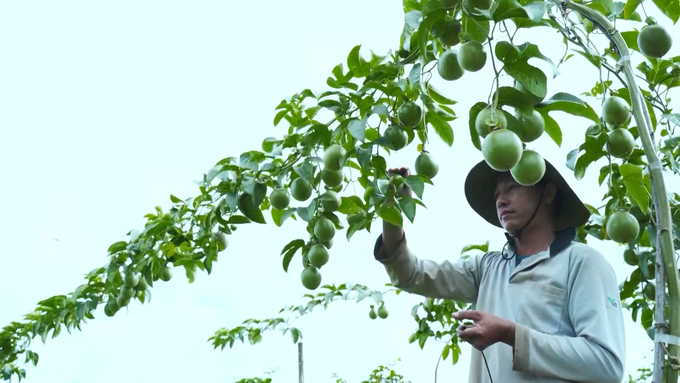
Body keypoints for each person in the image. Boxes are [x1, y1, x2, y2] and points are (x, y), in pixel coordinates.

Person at [373, 158, 626, 383]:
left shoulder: (582, 262)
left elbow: (606, 364)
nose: (501, 200)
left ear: (547, 193)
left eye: (512, 188)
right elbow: (412, 275)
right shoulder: (487, 268)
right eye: (496, 195)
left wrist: (510, 334)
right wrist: (393, 206)